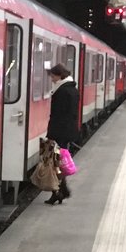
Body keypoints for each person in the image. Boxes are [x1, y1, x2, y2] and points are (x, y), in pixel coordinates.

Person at [45, 63, 81, 204]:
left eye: (53, 76)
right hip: (66, 131)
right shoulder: (72, 89)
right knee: (58, 162)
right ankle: (61, 191)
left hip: (59, 131)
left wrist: (52, 133)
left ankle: (59, 192)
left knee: (55, 163)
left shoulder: (63, 91)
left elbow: (59, 115)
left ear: (59, 75)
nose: (52, 79)